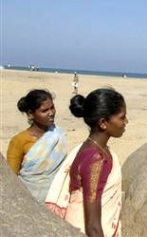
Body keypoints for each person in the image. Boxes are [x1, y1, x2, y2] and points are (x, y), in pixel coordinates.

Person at [45, 88, 127, 237]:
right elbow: (93, 226)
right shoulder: (96, 160)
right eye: (122, 117)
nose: (126, 122)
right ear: (103, 123)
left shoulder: (91, 148)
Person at [6, 89, 67, 203]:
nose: (51, 113)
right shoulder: (19, 141)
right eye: (44, 110)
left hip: (57, 198)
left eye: (52, 108)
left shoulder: (58, 134)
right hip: (29, 200)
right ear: (30, 114)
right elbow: (11, 177)